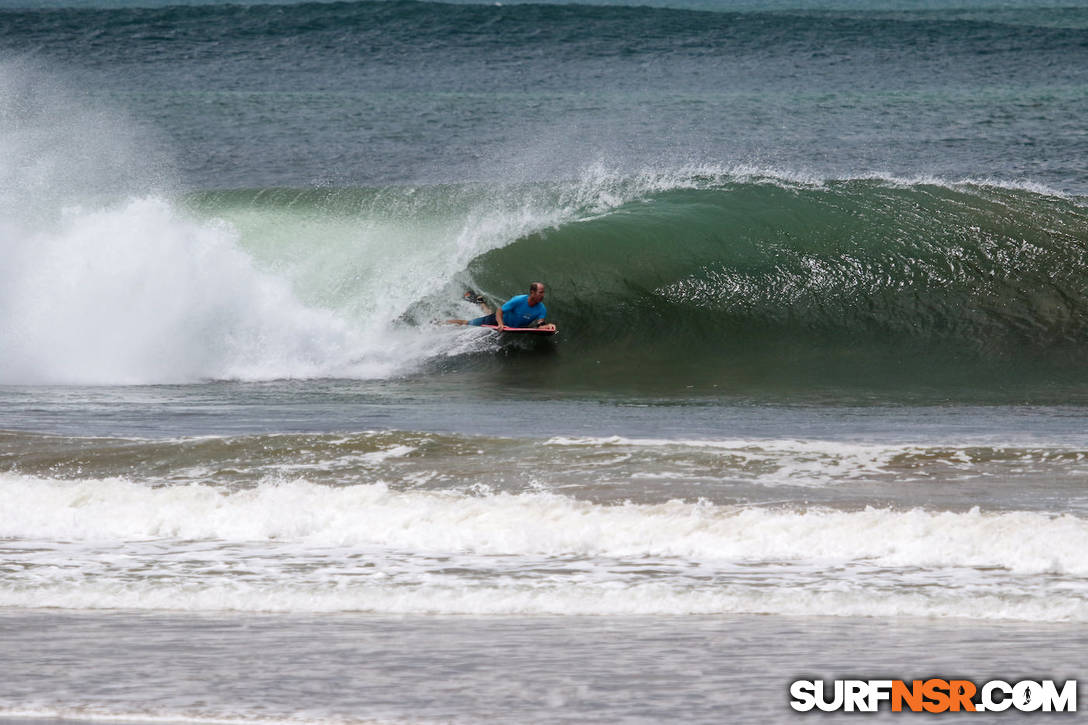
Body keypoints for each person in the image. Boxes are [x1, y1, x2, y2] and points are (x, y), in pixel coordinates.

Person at [447, 282, 555, 331]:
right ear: (532, 292)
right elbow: (500, 311)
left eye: (543, 292)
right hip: (498, 320)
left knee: (488, 314)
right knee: (468, 323)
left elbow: (540, 324)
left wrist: (547, 326)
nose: (543, 295)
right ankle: (441, 322)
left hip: (509, 326)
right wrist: (500, 324)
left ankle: (481, 302)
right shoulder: (519, 300)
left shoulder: (541, 309)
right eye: (540, 292)